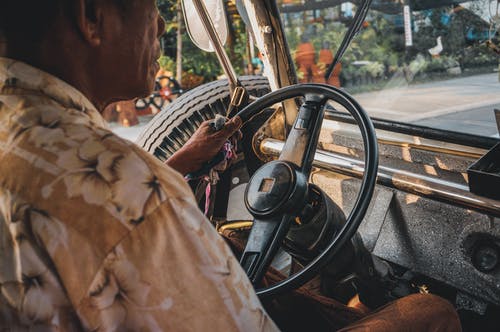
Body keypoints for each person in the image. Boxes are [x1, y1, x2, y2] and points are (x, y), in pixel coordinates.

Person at [0, 1, 461, 331]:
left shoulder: (26, 132)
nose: (161, 22)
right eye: (151, 7)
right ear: (92, 17)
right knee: (430, 313)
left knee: (238, 243)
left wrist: (181, 161)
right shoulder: (136, 195)